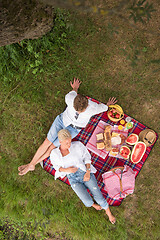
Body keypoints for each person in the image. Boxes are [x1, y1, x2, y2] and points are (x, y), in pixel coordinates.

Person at [18, 78, 117, 175]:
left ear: (87, 106)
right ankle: (31, 164)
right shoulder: (76, 101)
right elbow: (102, 107)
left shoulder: (91, 107)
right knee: (46, 142)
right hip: (61, 121)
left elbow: (103, 107)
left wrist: (75, 89)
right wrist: (75, 88)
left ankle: (31, 164)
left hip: (73, 129)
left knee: (51, 147)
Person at [50, 129, 116, 224]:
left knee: (98, 195)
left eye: (70, 141)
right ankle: (93, 205)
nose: (69, 145)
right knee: (86, 200)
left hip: (84, 172)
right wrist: (67, 170)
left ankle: (109, 213)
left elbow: (87, 158)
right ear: (60, 142)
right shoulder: (54, 154)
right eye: (66, 143)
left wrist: (88, 172)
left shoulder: (77, 145)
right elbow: (56, 167)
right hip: (72, 178)